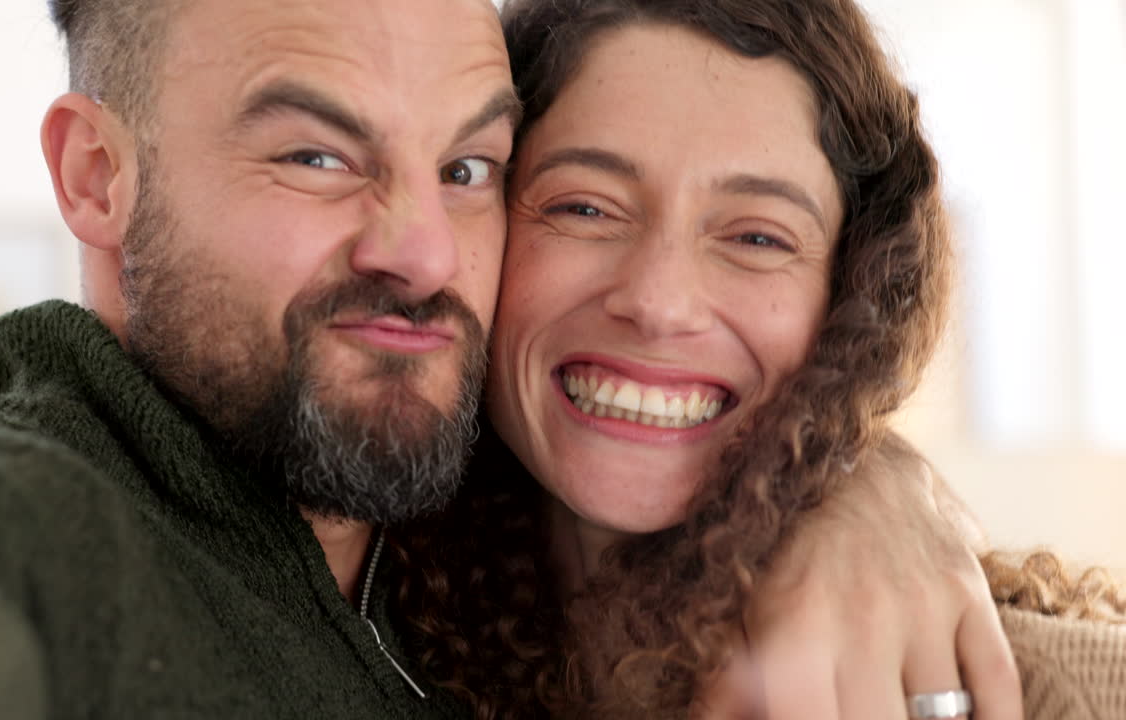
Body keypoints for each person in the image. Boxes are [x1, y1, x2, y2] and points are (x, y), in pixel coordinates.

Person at [0, 0, 1017, 717]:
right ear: (98, 177)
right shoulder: (11, 542)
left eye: (466, 170)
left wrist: (859, 481)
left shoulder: (466, 563)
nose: (418, 254)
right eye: (313, 157)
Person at [388, 0, 1043, 718]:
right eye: (586, 207)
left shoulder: (1042, 682)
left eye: (757, 238)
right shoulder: (356, 600)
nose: (659, 302)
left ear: (852, 296)